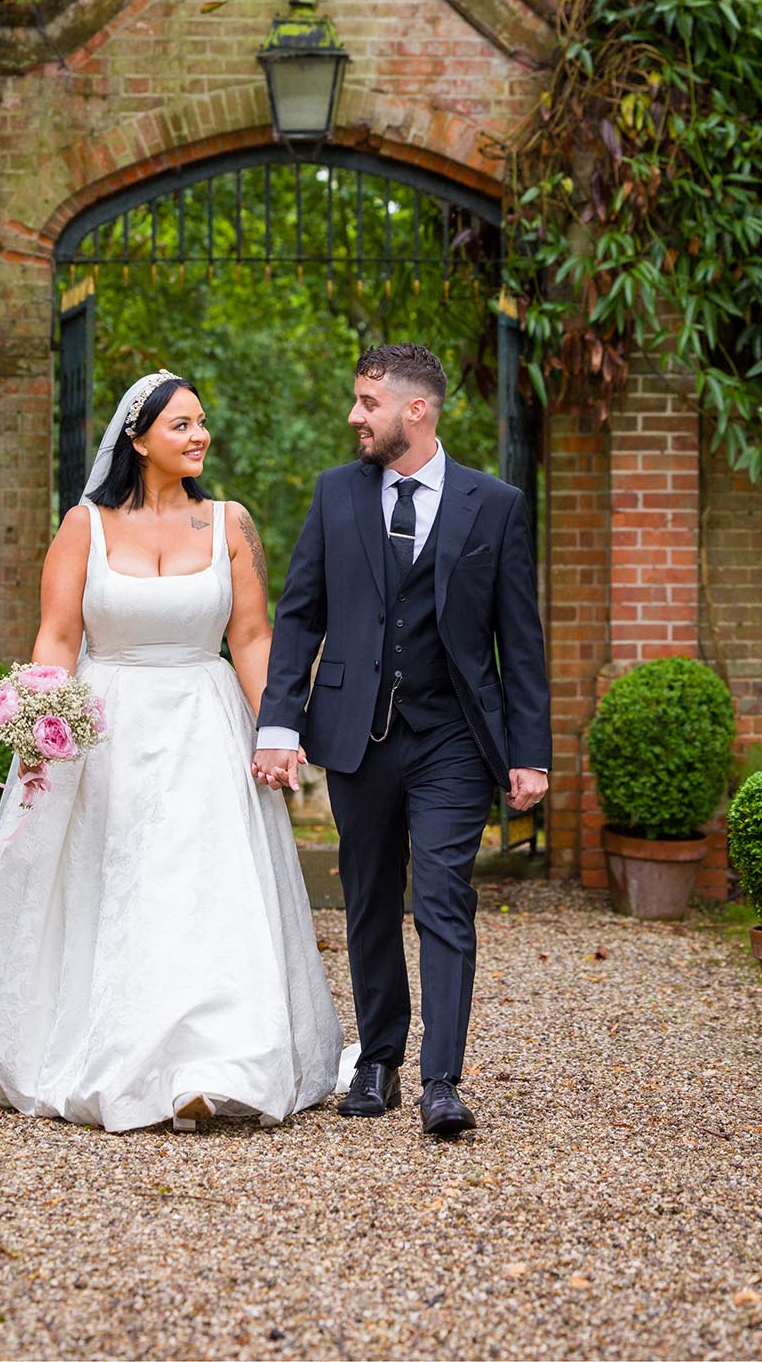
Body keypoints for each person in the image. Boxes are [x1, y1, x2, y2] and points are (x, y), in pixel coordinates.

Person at [0, 369, 343, 1132]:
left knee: (204, 888)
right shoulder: (85, 528)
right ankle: (112, 1048)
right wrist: (40, 725)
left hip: (203, 727)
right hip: (108, 732)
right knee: (121, 883)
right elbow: (60, 635)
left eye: (202, 422)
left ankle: (219, 1063)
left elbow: (252, 637)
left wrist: (279, 727)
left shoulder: (231, 524)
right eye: (181, 426)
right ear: (138, 441)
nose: (199, 436)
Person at [253, 343, 550, 1139]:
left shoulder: (495, 504)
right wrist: (279, 722)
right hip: (357, 734)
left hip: (453, 734)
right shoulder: (334, 496)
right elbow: (300, 615)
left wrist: (530, 753)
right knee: (370, 897)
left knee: (446, 895)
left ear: (415, 410)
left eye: (367, 402)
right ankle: (377, 1059)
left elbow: (518, 639)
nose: (355, 416)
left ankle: (442, 1081)